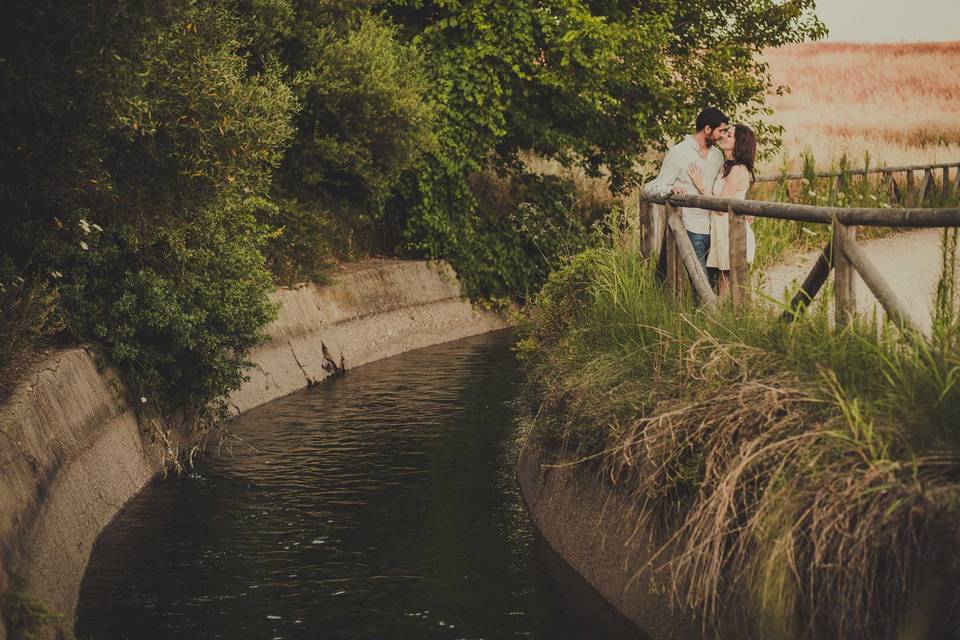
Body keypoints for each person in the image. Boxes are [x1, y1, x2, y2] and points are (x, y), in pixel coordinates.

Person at [642, 107, 729, 274]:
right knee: (701, 284)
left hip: (715, 227)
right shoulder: (678, 153)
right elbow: (652, 187)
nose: (723, 135)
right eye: (720, 130)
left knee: (715, 282)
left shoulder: (718, 155)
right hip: (690, 227)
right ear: (708, 129)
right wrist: (671, 188)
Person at [687, 123, 757, 298]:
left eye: (730, 135)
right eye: (725, 132)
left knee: (731, 284)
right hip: (721, 231)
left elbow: (720, 208)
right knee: (724, 283)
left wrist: (701, 186)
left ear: (739, 142)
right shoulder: (726, 167)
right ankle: (722, 320)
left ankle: (735, 320)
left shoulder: (737, 170)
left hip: (731, 232)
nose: (724, 136)